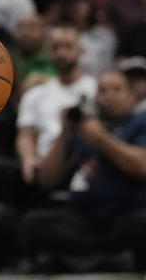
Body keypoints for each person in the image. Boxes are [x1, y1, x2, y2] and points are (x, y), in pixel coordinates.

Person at [25, 69, 146, 272]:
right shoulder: (84, 128)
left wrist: (99, 137)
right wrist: (63, 131)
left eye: (116, 90)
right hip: (82, 220)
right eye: (102, 91)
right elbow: (47, 180)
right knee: (34, 222)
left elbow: (142, 167)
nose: (109, 96)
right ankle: (106, 261)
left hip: (124, 216)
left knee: (141, 226)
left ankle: (75, 261)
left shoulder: (139, 123)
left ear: (131, 96)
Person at [16, 24, 97, 184]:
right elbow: (25, 134)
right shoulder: (35, 94)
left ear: (81, 49)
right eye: (55, 48)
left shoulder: (96, 89)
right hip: (45, 165)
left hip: (87, 164)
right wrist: (28, 157)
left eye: (68, 47)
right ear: (47, 53)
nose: (61, 53)